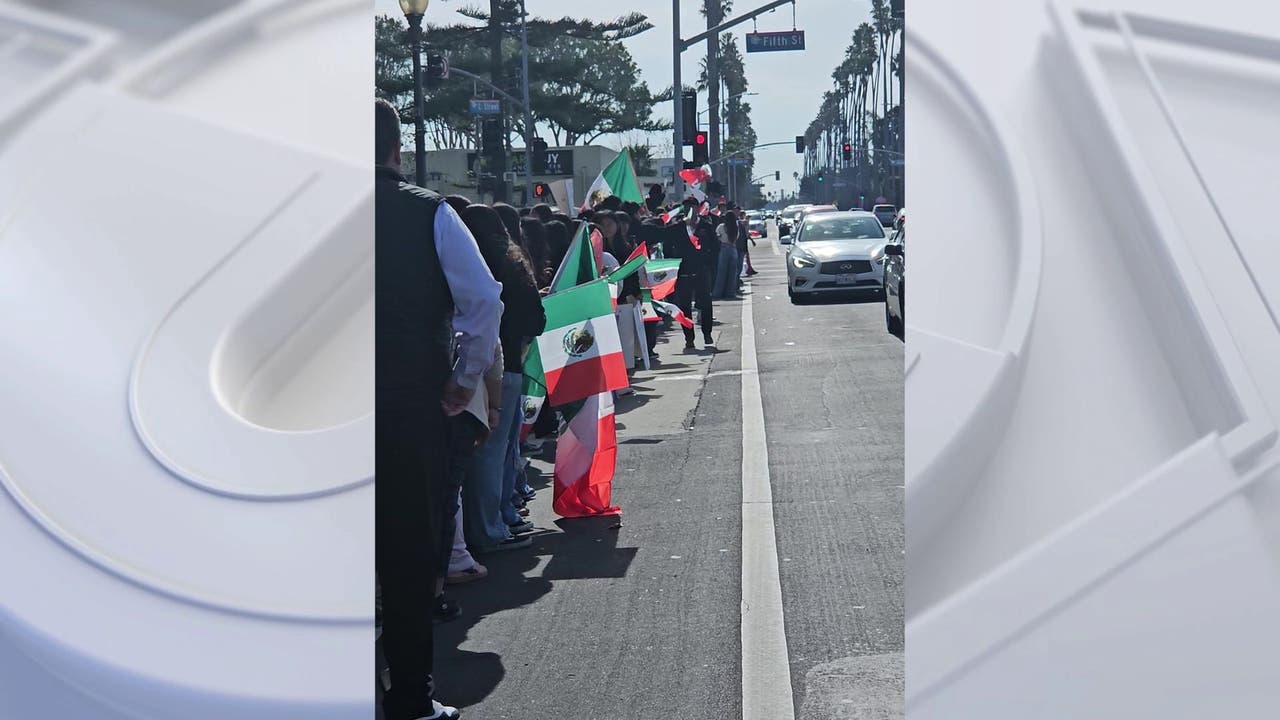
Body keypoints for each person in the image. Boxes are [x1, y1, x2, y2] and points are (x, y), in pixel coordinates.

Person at [375, 98, 500, 720]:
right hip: (405, 405)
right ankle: (410, 697)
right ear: (396, 150)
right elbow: (484, 302)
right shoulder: (431, 215)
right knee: (406, 549)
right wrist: (463, 379)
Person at [458, 204, 546, 554]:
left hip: (458, 368)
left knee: (475, 455)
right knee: (499, 450)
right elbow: (534, 319)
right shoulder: (512, 267)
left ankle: (477, 528)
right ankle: (493, 525)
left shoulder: (457, 266)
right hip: (505, 365)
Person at [713, 209, 741, 300]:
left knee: (721, 272)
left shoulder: (721, 226)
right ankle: (730, 292)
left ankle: (717, 293)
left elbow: (717, 235)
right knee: (732, 273)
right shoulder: (735, 227)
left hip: (724, 248)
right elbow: (737, 237)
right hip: (733, 248)